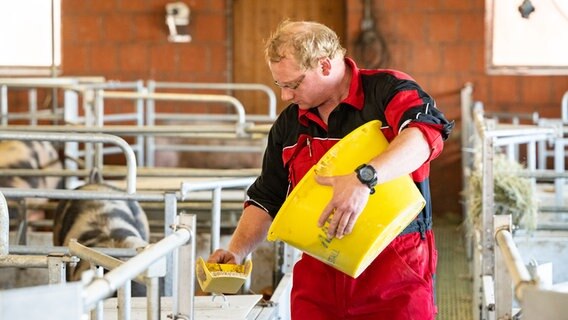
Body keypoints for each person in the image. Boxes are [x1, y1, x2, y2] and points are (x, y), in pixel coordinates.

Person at [208, 20, 454, 320]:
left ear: (325, 66)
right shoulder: (290, 125)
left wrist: (364, 178)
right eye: (280, 85)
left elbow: (426, 134)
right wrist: (236, 252)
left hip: (394, 276)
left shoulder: (386, 91)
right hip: (319, 280)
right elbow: (267, 197)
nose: (286, 96)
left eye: (293, 84)